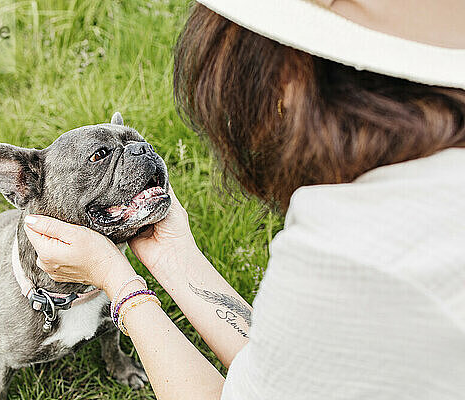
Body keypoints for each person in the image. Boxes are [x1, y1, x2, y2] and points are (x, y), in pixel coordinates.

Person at [23, 1, 465, 399]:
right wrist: (173, 256)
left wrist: (118, 281)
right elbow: (277, 373)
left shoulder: (354, 249)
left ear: (280, 76)